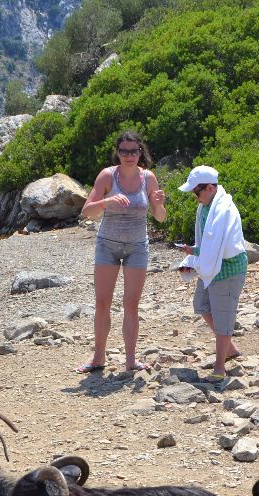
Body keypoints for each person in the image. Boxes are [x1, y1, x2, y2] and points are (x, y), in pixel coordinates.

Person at [77, 131, 168, 373]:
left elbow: (160, 218)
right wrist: (107, 202)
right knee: (103, 302)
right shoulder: (108, 176)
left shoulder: (148, 178)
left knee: (131, 304)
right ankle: (98, 357)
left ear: (141, 153)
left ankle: (130, 360)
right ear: (117, 152)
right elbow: (87, 211)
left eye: (134, 151)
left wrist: (159, 203)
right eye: (124, 151)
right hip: (107, 244)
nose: (129, 156)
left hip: (137, 247)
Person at [177, 165, 247, 382]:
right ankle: (230, 349)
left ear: (209, 187)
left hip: (228, 269)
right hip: (212, 267)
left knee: (223, 316)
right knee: (202, 306)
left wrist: (197, 257)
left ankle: (219, 369)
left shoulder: (224, 209)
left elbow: (222, 247)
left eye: (197, 193)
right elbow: (208, 244)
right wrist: (193, 257)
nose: (196, 198)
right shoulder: (207, 207)